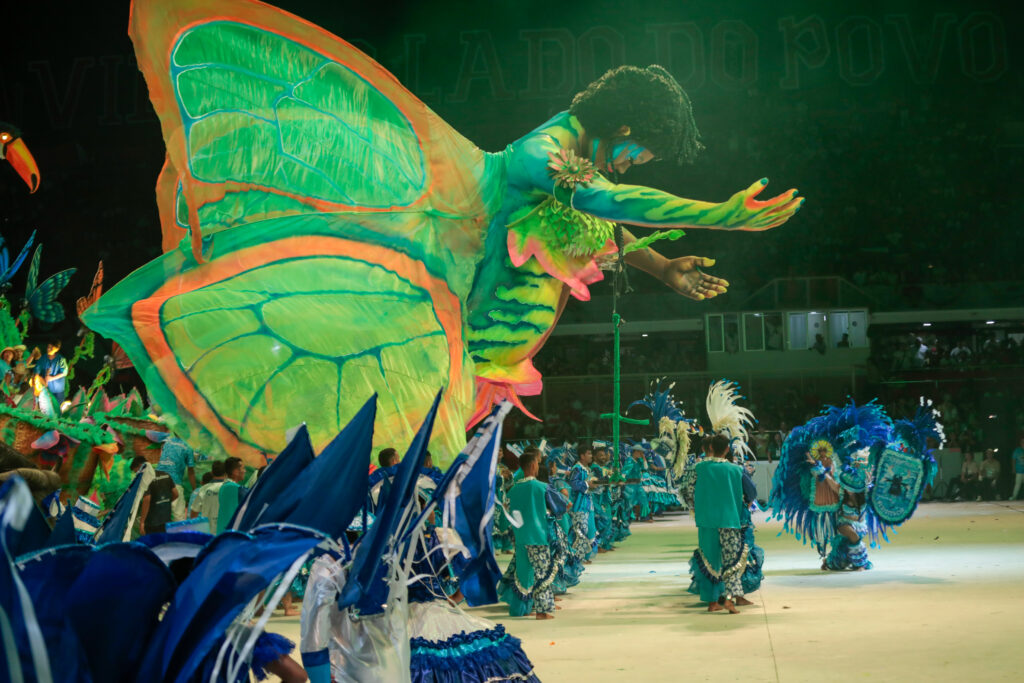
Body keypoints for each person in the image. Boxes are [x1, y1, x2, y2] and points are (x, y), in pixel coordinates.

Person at [688, 434, 749, 613]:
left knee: (710, 561)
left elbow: (687, 491)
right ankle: (729, 599)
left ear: (711, 448)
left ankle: (712, 602)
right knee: (731, 562)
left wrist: (697, 505)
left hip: (707, 519)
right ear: (728, 449)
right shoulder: (736, 470)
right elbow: (744, 496)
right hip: (730, 519)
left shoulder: (698, 468)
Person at [498, 448, 557, 619]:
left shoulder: (513, 490)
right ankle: (542, 611)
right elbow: (560, 508)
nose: (538, 467)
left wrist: (505, 530)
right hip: (538, 537)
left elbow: (504, 516)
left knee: (523, 574)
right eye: (538, 464)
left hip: (520, 537)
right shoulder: (542, 487)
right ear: (532, 465)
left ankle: (519, 609)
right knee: (542, 573)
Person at [816, 449, 873, 572]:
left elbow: (871, 481)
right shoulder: (841, 491)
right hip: (844, 524)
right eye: (846, 486)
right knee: (853, 536)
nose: (848, 489)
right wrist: (819, 467)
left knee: (840, 560)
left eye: (850, 487)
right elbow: (828, 480)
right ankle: (860, 564)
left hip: (861, 525)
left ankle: (829, 561)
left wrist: (867, 474)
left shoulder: (865, 493)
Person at [156, 435, 198, 521]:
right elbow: (191, 471)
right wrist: (194, 489)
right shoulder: (188, 447)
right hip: (174, 481)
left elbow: (161, 458)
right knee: (178, 516)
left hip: (157, 479)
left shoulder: (167, 442)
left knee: (159, 513)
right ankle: (178, 533)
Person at [134, 455, 177, 535]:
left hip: (152, 522)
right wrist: (165, 502)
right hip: (166, 518)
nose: (136, 474)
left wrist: (142, 522)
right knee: (165, 543)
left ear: (140, 467)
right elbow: (176, 493)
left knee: (154, 545)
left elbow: (147, 499)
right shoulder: (166, 474)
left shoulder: (146, 479)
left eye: (135, 471)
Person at [567, 448, 596, 564]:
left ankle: (584, 556)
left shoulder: (587, 469)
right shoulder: (577, 469)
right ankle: (577, 557)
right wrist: (586, 484)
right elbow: (573, 484)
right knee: (580, 530)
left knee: (590, 530)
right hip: (579, 505)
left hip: (588, 504)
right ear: (582, 455)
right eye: (589, 453)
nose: (591, 455)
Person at [191, 459, 228, 530]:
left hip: (207, 530)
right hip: (224, 531)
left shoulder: (204, 489)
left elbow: (194, 512)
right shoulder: (231, 488)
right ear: (226, 473)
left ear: (212, 473)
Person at [33, 339, 69, 405]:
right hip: (46, 390)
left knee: (57, 408)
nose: (48, 349)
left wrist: (51, 378)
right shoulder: (43, 358)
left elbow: (65, 372)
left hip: (58, 391)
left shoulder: (61, 359)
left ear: (57, 349)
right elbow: (37, 371)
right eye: (48, 347)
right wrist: (38, 379)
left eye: (51, 348)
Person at [217, 456, 246, 533]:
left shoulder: (224, 487)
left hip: (223, 532)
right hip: (231, 533)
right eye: (243, 468)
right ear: (236, 471)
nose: (245, 471)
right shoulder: (235, 488)